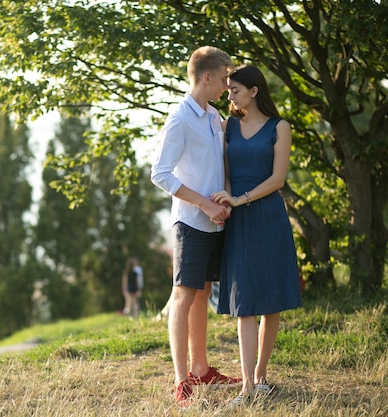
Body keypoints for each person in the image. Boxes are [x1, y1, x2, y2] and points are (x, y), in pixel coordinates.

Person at [151, 45, 241, 407]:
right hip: (190, 221)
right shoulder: (180, 118)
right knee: (184, 297)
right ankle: (181, 379)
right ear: (206, 77)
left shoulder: (212, 116)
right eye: (222, 80)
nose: (225, 86)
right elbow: (159, 174)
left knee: (202, 293)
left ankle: (201, 369)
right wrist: (203, 203)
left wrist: (223, 199)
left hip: (216, 222)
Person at [211, 64, 303, 408]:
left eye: (234, 89)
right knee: (244, 303)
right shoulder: (228, 127)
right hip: (238, 220)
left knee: (269, 300)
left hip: (268, 217)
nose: (229, 94)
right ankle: (247, 386)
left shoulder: (280, 127)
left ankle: (260, 375)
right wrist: (227, 198)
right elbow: (227, 172)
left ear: (254, 90)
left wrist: (242, 199)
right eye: (228, 89)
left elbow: (278, 179)